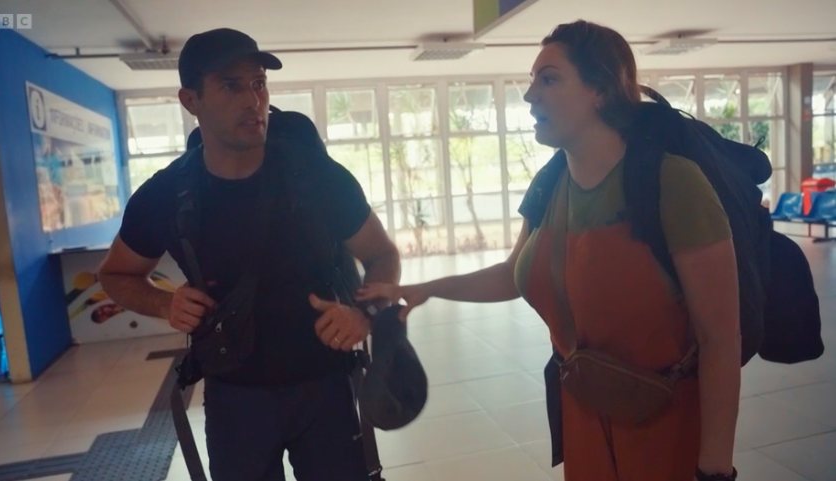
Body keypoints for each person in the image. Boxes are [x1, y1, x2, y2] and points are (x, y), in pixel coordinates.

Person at [357, 20, 740, 481]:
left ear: (600, 90)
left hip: (664, 424)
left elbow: (720, 339)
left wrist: (715, 471)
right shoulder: (550, 186)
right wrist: (423, 288)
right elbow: (512, 274)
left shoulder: (672, 183)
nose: (530, 95)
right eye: (532, 80)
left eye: (549, 78)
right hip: (582, 418)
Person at [97, 28, 400, 481]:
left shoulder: (314, 174)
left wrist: (366, 311)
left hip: (325, 387)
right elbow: (116, 275)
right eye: (231, 85)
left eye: (258, 83)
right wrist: (165, 303)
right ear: (190, 100)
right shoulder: (168, 193)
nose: (253, 99)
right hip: (234, 397)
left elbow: (382, 255)